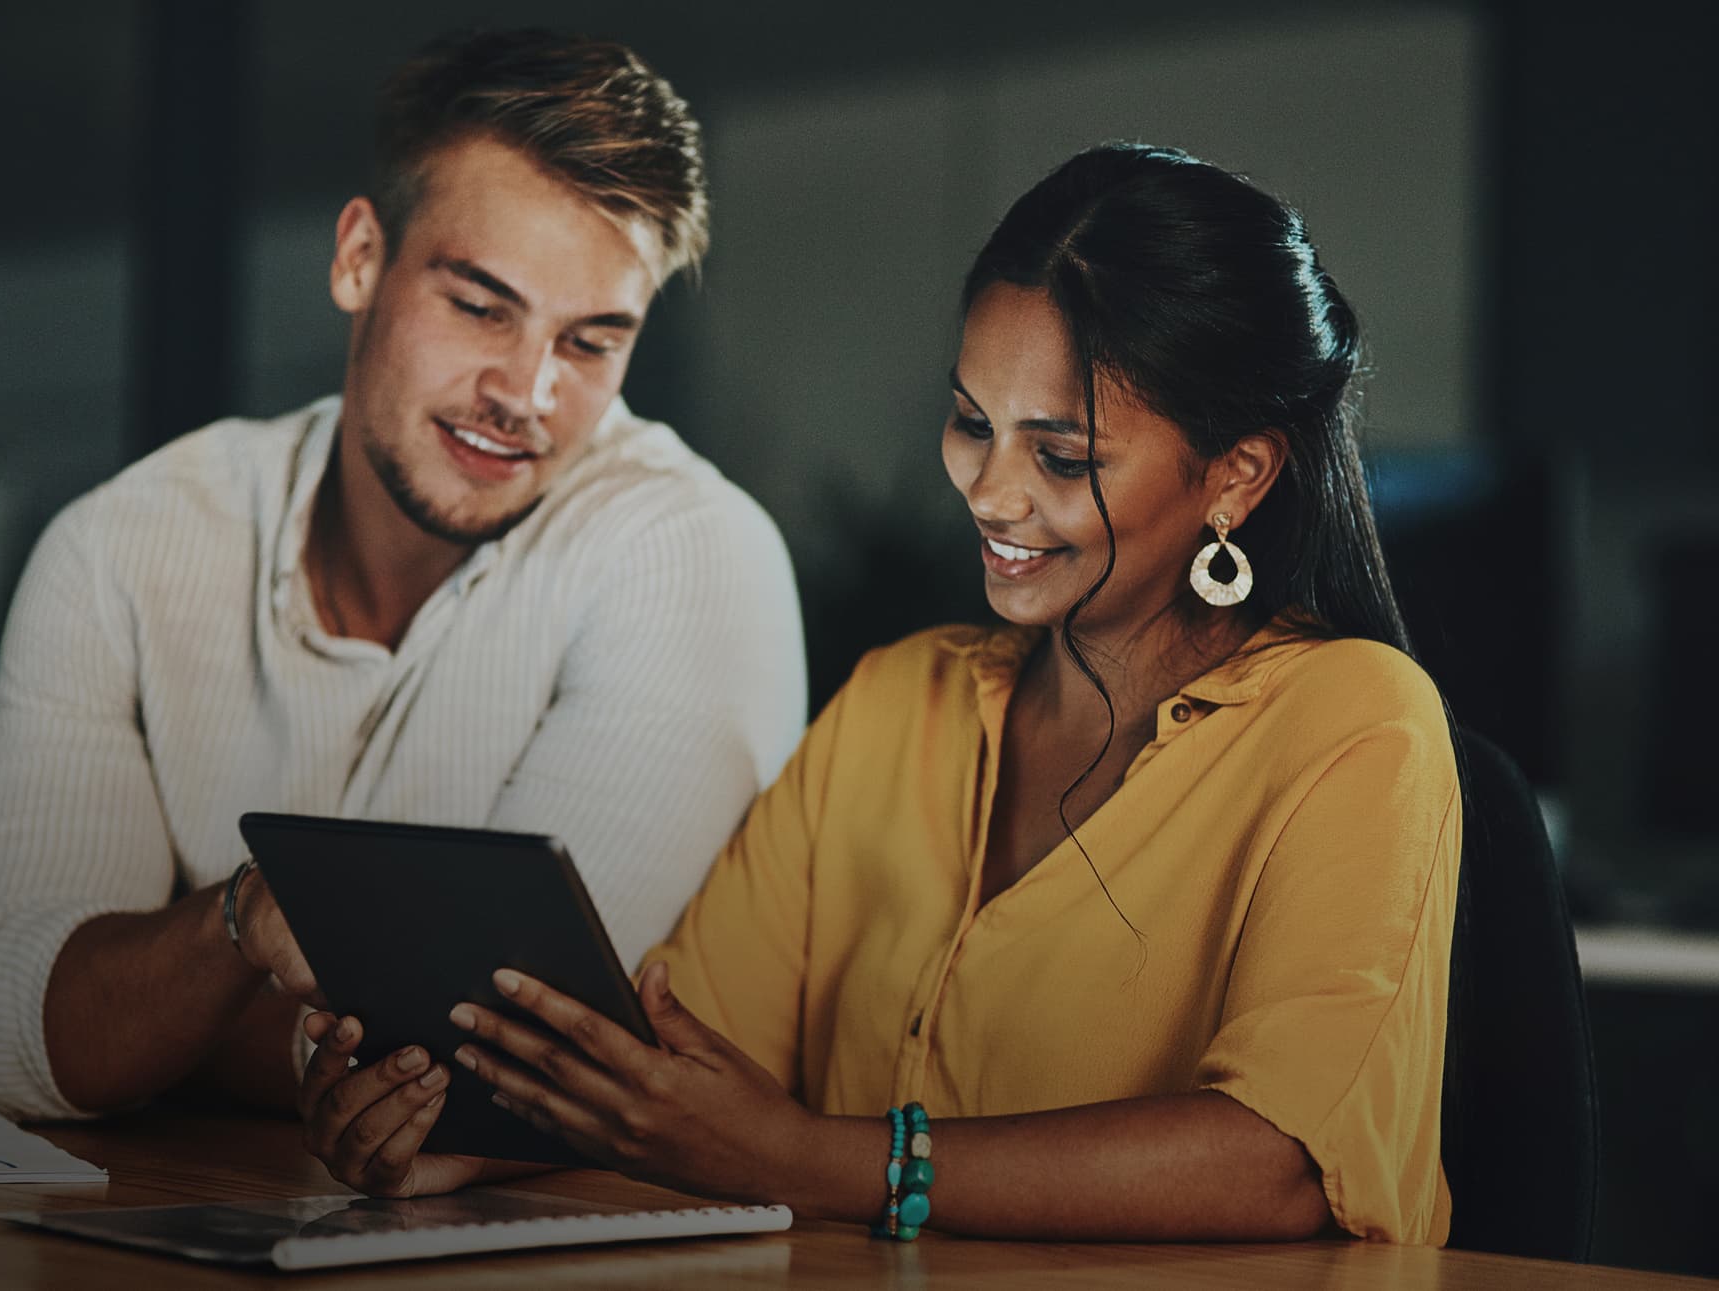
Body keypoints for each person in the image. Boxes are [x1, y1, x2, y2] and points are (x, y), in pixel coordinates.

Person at [296, 143, 1462, 1245]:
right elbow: (678, 1072)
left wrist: (814, 1161)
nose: (992, 493)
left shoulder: (1357, 720)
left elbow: (1281, 1164)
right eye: (971, 425)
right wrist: (459, 1140)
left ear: (1237, 475)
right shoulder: (900, 702)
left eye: (1062, 456)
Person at [0, 30, 806, 1123]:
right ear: (359, 258)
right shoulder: (123, 546)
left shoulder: (690, 552)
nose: (527, 393)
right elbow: (10, 1047)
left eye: (589, 342)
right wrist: (243, 922)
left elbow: (494, 1065)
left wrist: (156, 1000)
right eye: (481, 305)